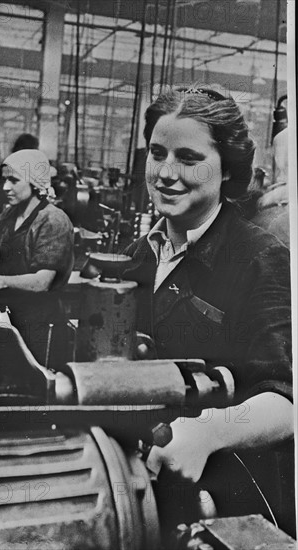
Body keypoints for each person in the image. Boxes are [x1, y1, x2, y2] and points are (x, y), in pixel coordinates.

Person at [123, 87, 294, 536]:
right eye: (157, 153)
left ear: (228, 169)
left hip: (227, 501)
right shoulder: (139, 254)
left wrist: (209, 431)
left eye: (188, 158)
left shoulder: (259, 260)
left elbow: (285, 400)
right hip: (140, 491)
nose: (165, 172)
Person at [0, 149, 74, 368]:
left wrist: (1, 281)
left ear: (35, 183)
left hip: (41, 325)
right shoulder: (8, 214)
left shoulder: (53, 220)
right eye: (5, 180)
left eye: (14, 181)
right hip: (9, 316)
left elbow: (42, 281)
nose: (6, 187)